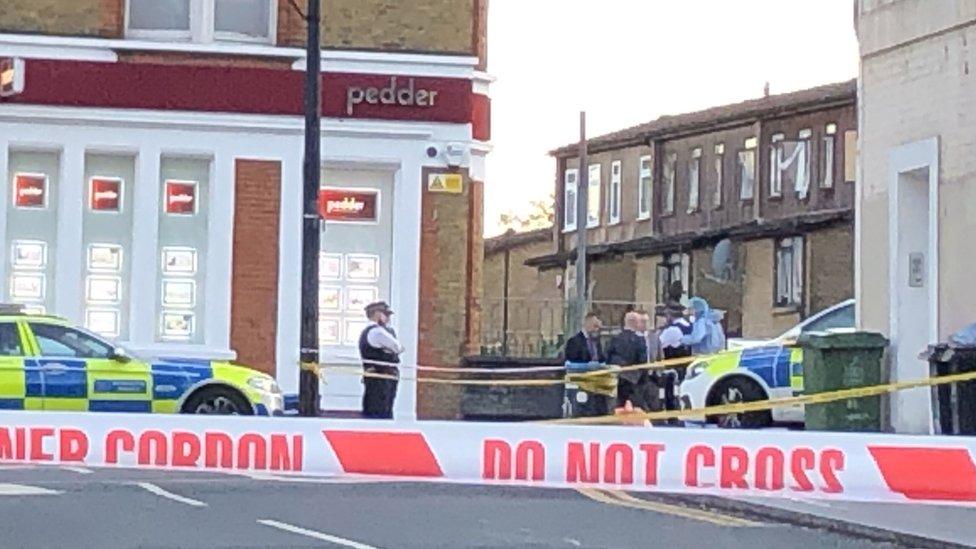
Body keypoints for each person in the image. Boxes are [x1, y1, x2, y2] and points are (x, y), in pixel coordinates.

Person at [359, 301, 404, 419]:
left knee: (373, 407)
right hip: (383, 378)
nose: (388, 318)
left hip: (376, 376)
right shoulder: (377, 332)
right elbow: (398, 347)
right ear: (377, 314)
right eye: (386, 315)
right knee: (381, 410)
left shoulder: (369, 331)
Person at [607, 311, 654, 411]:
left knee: (619, 407)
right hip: (634, 381)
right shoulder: (639, 341)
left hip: (616, 379)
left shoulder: (614, 339)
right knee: (636, 407)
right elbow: (643, 362)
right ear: (635, 323)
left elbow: (608, 358)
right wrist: (644, 380)